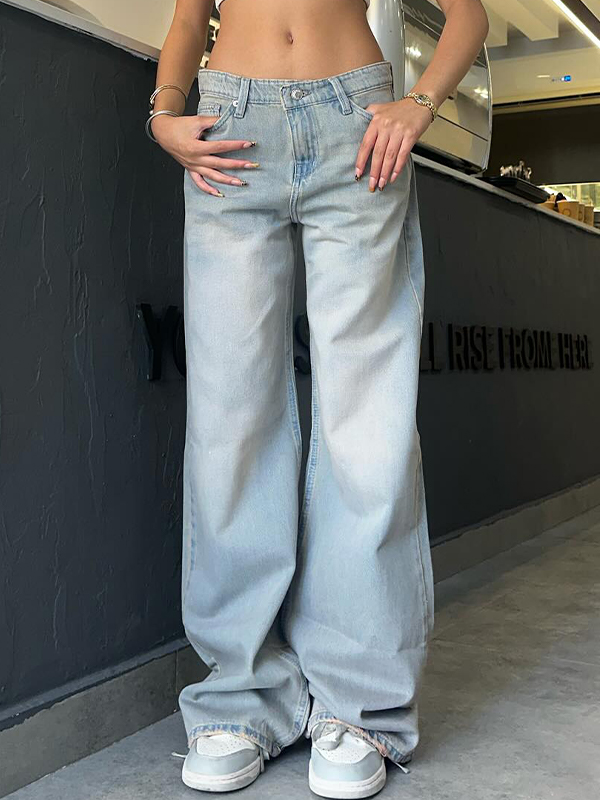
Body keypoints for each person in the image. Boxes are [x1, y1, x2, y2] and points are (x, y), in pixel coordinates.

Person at [148, 0, 489, 796]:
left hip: (356, 125)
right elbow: (190, 18)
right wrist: (164, 113)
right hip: (230, 130)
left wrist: (422, 102)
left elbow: (467, 14)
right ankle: (241, 696)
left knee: (366, 425)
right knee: (231, 423)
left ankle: (361, 703)